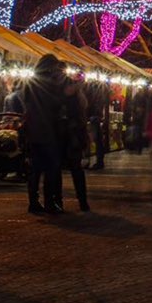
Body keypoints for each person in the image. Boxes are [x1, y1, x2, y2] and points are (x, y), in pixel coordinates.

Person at [22, 54, 65, 214]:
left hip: (34, 130)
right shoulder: (51, 83)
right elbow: (55, 104)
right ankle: (49, 202)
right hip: (48, 130)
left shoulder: (31, 82)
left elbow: (27, 103)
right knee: (50, 168)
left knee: (35, 169)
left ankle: (33, 201)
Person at [58, 77, 91, 211]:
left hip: (72, 140)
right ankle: (61, 201)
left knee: (76, 171)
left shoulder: (76, 101)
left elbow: (81, 123)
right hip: (67, 140)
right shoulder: (71, 100)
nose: (69, 88)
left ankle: (82, 201)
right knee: (73, 171)